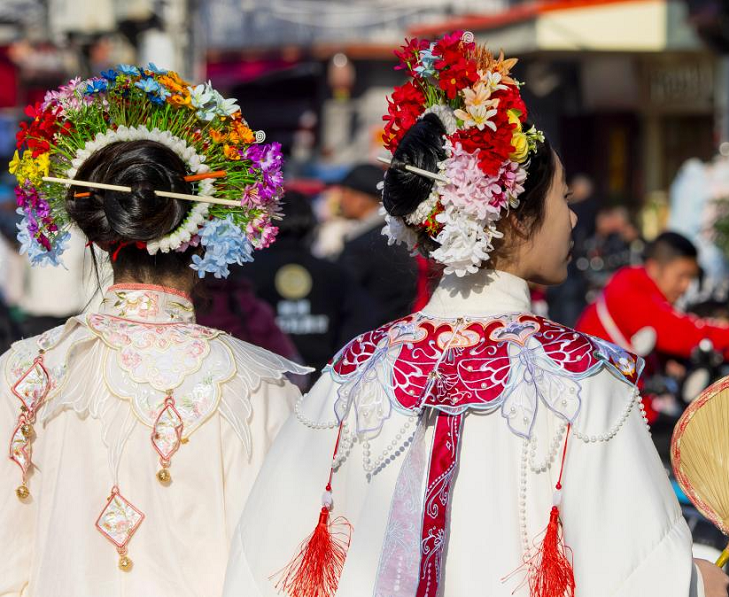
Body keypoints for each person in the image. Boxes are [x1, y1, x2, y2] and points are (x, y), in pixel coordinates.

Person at [223, 33, 729, 597]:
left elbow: (263, 565)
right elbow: (639, 573)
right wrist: (700, 583)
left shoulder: (354, 369)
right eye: (562, 199)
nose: (573, 220)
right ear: (515, 218)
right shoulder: (584, 376)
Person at [1, 66, 309, 596]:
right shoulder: (262, 386)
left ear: (97, 236)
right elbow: (284, 569)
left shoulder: (22, 372)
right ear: (204, 233)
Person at [576, 231, 729, 364]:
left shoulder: (640, 287)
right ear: (655, 267)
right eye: (681, 276)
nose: (685, 287)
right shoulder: (627, 287)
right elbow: (682, 333)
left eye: (690, 279)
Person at [246, 190, 377, 377]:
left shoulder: (245, 274)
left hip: (260, 381)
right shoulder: (334, 273)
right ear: (311, 225)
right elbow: (361, 323)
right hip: (321, 382)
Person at [337, 163, 419, 325]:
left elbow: (340, 292)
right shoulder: (397, 234)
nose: (341, 200)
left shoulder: (362, 245)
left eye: (346, 193)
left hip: (370, 332)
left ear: (361, 199)